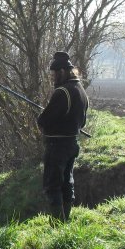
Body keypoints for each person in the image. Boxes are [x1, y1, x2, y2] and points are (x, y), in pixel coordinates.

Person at [36, 51, 89, 222]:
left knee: (53, 186)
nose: (52, 78)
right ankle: (66, 222)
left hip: (57, 146)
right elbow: (83, 122)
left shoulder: (62, 92)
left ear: (62, 72)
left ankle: (57, 226)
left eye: (53, 74)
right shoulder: (80, 89)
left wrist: (43, 120)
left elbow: (44, 120)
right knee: (67, 183)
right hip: (72, 144)